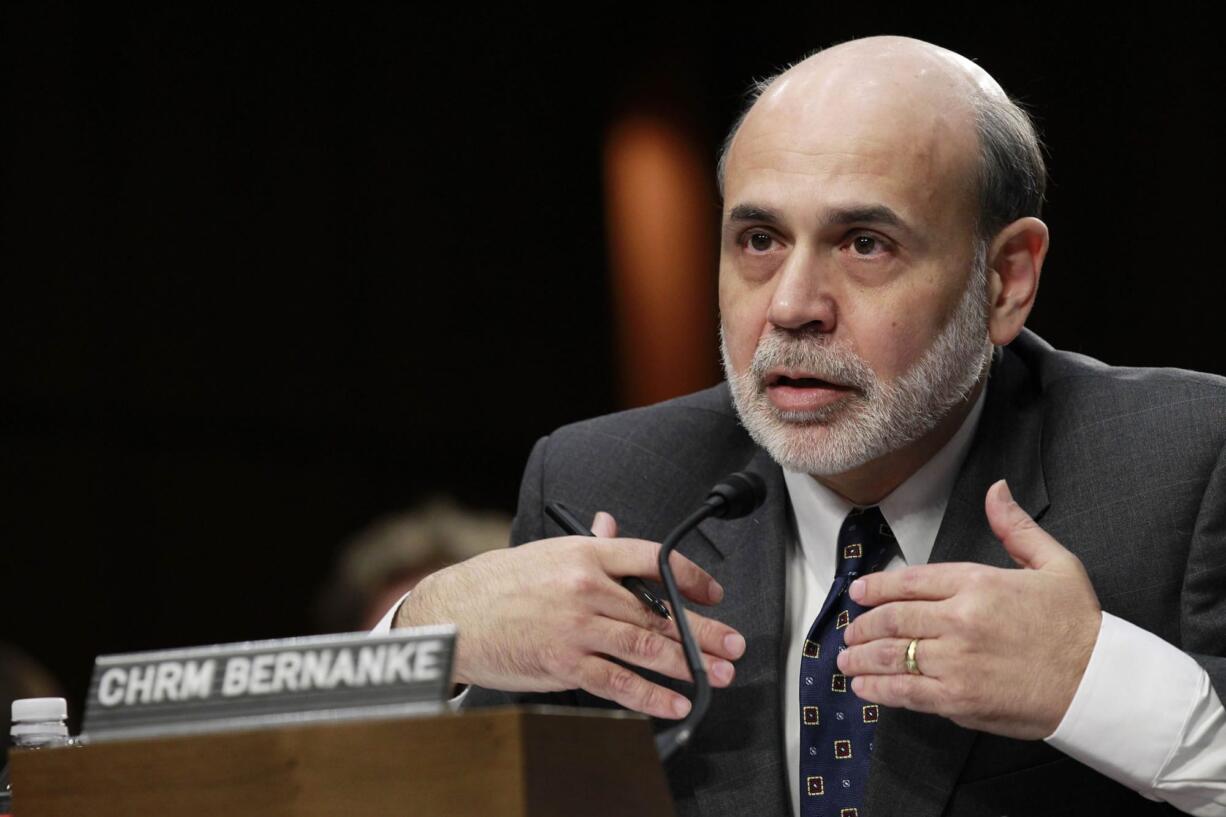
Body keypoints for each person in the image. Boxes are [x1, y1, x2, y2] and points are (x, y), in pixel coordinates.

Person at [378, 36, 1226, 817]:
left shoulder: (1182, 464)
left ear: (1005, 279)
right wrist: (424, 639)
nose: (790, 306)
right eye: (758, 239)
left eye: (864, 243)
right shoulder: (600, 483)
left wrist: (1095, 683)